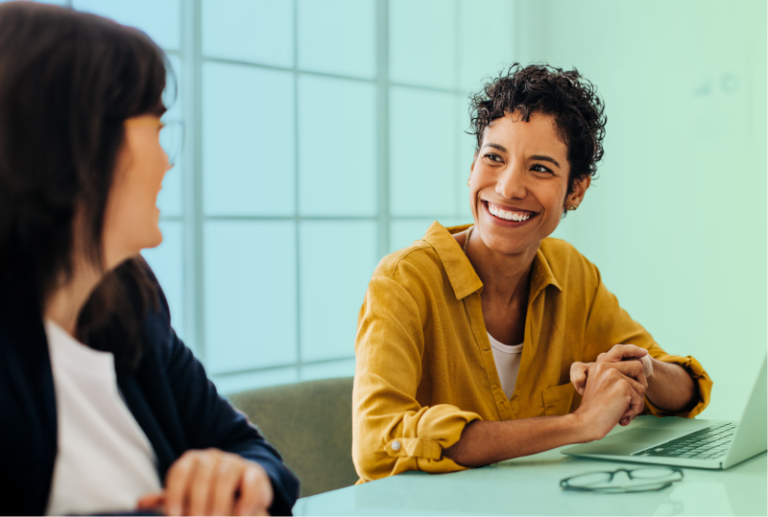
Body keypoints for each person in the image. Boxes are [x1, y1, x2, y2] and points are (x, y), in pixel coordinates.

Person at [0, 3, 298, 516]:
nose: (167, 161)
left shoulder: (134, 304)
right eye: (157, 130)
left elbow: (259, 457)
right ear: (81, 141)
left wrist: (244, 478)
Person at [352, 64, 713, 481]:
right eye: (493, 158)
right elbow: (377, 444)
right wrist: (578, 424)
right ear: (472, 168)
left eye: (540, 168)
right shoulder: (403, 281)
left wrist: (636, 371)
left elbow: (685, 389)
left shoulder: (571, 273)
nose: (508, 187)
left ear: (575, 190)